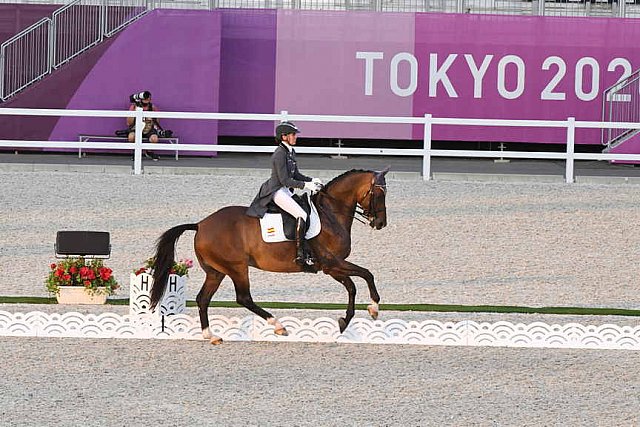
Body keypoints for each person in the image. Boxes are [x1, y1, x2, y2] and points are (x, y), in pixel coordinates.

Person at [246, 121, 323, 267]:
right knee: (302, 215)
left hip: (286, 189)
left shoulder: (290, 151)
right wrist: (306, 185)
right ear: (284, 136)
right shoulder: (279, 154)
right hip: (276, 190)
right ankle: (301, 254)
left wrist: (312, 180)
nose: (296, 137)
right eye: (293, 134)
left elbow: (296, 174)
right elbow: (285, 180)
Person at [127, 91, 161, 161]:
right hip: (136, 127)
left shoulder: (152, 107)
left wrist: (151, 120)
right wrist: (135, 112)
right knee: (131, 137)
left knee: (154, 139)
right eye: (145, 98)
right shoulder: (133, 107)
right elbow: (129, 123)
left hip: (149, 128)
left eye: (148, 99)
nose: (147, 100)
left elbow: (157, 121)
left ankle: (149, 152)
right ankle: (135, 153)